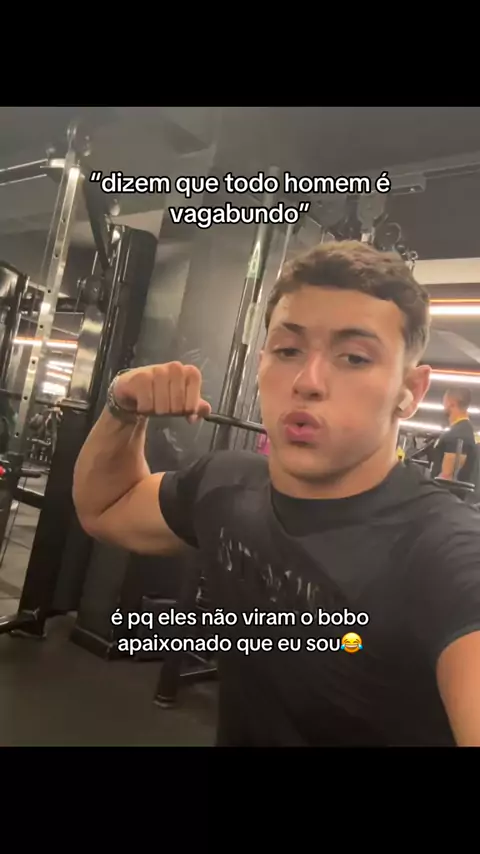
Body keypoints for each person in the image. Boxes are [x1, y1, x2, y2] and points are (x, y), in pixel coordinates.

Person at [72, 239, 480, 747]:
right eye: (288, 351)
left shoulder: (444, 555)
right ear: (262, 361)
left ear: (411, 392)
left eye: (354, 358)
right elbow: (105, 507)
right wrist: (122, 407)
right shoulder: (225, 487)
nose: (308, 381)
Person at [431, 387, 479, 489]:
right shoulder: (464, 430)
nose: (443, 406)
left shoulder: (458, 434)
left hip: (446, 496)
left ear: (451, 403)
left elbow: (446, 477)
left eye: (444, 402)